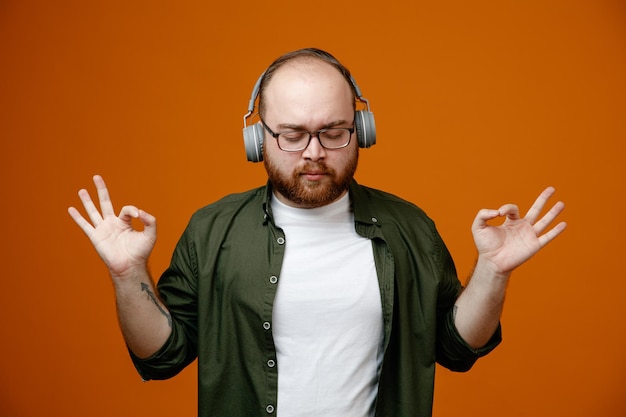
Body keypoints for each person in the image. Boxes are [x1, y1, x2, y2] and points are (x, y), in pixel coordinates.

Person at [68, 48, 566, 417]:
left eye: (333, 132)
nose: (313, 152)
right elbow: (163, 355)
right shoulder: (212, 229)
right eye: (291, 134)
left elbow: (457, 348)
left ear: (361, 131)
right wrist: (127, 273)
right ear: (257, 137)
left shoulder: (408, 227)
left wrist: (493, 272)